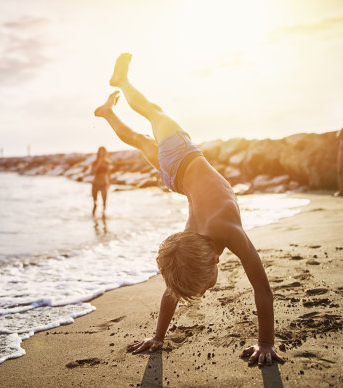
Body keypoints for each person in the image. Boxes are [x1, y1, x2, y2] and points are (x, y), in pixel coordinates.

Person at [94, 53, 283, 367]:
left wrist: (265, 342)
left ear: (210, 258)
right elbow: (174, 288)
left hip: (178, 157)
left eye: (206, 284)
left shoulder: (223, 229)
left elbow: (261, 287)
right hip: (175, 178)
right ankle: (112, 102)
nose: (209, 288)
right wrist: (157, 337)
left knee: (150, 119)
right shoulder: (193, 237)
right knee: (144, 128)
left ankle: (117, 93)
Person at [91, 146, 112, 215]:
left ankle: (104, 220)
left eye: (103, 151)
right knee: (95, 203)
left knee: (104, 203)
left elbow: (109, 174)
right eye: (101, 151)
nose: (102, 153)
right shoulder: (95, 162)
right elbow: (92, 172)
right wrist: (99, 163)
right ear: (98, 153)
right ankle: (94, 222)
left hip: (104, 184)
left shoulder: (107, 162)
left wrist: (109, 183)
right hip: (95, 184)